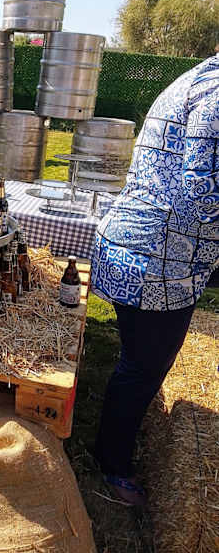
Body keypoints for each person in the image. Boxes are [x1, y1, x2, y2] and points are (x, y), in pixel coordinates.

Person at [91, 51, 219, 506]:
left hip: (147, 249)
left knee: (139, 362)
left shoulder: (200, 78)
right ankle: (112, 464)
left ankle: (113, 450)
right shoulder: (216, 94)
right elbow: (201, 195)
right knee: (142, 368)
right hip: (158, 262)